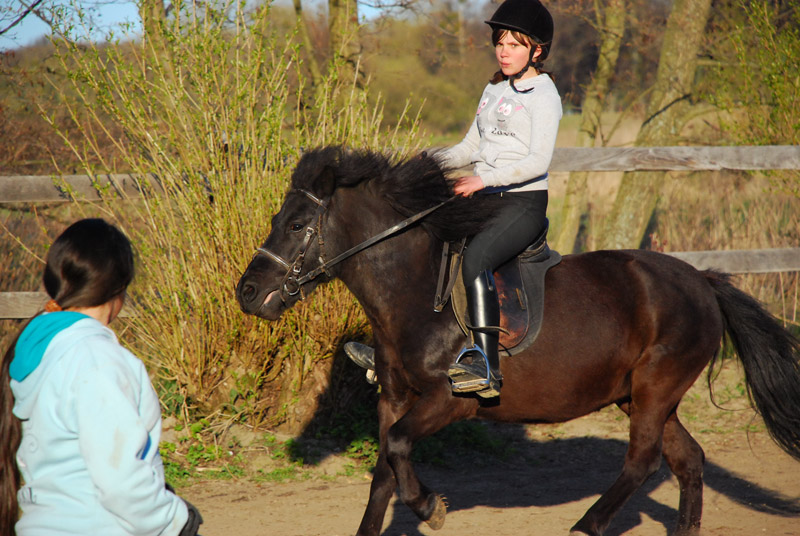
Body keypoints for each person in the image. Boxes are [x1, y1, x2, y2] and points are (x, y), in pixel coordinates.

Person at [346, 0, 561, 398]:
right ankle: (393, 354)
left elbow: (537, 161)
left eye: (515, 44)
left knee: (477, 258)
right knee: (426, 244)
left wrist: (482, 180)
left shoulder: (544, 95)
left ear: (537, 51)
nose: (504, 51)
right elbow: (469, 146)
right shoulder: (494, 88)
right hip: (488, 198)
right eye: (500, 42)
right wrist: (429, 161)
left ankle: (485, 365)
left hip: (523, 205)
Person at [0, 218, 202, 536]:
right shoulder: (96, 360)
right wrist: (174, 520)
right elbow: (120, 480)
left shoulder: (36, 349)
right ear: (118, 288)